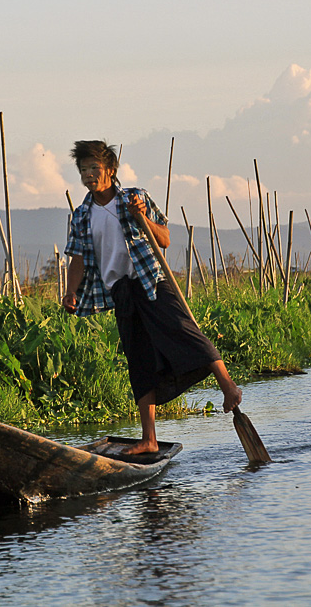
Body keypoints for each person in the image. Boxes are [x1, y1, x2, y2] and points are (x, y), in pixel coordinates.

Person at [62, 140, 242, 455]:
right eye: (84, 170)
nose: (89, 175)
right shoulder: (82, 215)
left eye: (95, 169)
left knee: (185, 332)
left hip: (152, 281)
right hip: (121, 290)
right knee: (140, 360)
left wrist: (142, 218)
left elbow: (165, 239)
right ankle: (149, 439)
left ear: (111, 171)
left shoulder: (135, 198)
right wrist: (70, 290)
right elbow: (77, 258)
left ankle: (229, 388)